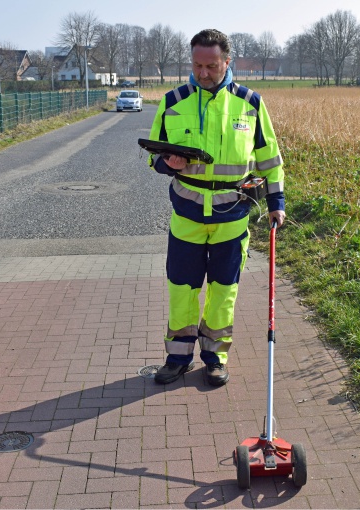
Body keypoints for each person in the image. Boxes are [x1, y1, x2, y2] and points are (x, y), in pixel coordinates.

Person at [148, 28, 286, 386]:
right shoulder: (172, 101)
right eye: (197, 65)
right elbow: (155, 158)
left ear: (227, 62)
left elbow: (270, 159)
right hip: (187, 215)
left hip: (232, 215)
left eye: (211, 65)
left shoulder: (250, 103)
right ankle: (177, 357)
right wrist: (169, 165)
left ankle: (215, 357)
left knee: (224, 290)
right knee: (182, 288)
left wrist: (277, 202)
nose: (203, 72)